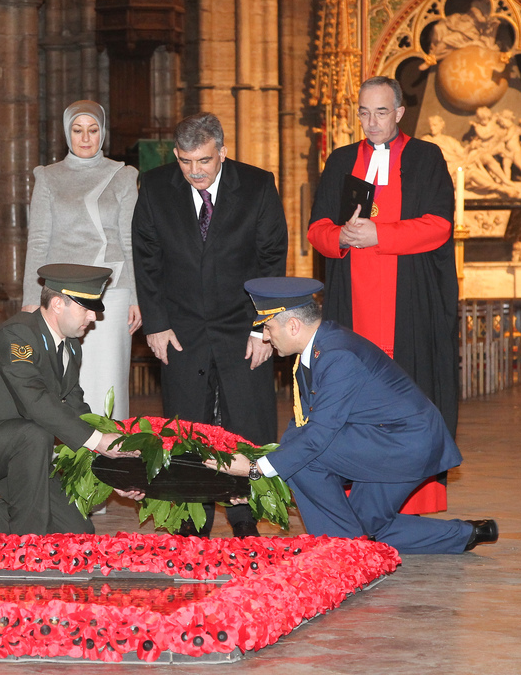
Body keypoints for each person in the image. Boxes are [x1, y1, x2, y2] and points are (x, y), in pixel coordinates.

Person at [209, 277, 498, 555]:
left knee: (305, 458)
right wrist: (256, 483)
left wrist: (254, 470)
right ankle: (468, 534)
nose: (266, 337)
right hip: (383, 440)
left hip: (406, 443)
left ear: (293, 325)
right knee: (365, 524)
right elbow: (300, 427)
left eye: (268, 328)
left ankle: (341, 552)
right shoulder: (314, 352)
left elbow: (317, 436)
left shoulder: (336, 356)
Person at [132, 112, 288, 537]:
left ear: (222, 152)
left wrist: (264, 328)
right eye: (185, 161)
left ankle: (244, 518)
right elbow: (146, 259)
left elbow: (273, 259)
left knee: (246, 421)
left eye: (203, 161)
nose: (194, 171)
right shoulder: (157, 187)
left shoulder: (257, 186)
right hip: (180, 328)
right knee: (186, 425)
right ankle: (189, 521)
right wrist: (157, 323)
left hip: (243, 327)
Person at [308, 76, 458, 515]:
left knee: (410, 390)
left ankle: (414, 498)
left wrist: (379, 233)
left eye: (380, 112)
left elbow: (439, 225)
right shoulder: (339, 161)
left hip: (410, 300)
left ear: (398, 113)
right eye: (363, 112)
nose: (371, 122)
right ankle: (352, 490)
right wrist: (342, 237)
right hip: (351, 303)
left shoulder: (427, 158)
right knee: (351, 395)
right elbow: (317, 231)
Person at [0, 264, 136, 535]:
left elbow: (77, 411)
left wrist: (117, 469)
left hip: (21, 451)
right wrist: (99, 442)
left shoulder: (71, 346)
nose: (93, 317)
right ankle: (28, 549)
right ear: (57, 304)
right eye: (85, 308)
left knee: (78, 531)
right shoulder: (18, 335)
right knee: (36, 433)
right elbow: (35, 401)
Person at [21, 101, 141, 419]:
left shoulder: (123, 175)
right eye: (77, 130)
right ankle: (65, 464)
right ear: (67, 133)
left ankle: (110, 462)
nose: (85, 138)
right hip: (62, 296)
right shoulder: (48, 177)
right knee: (61, 383)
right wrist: (32, 299)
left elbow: (130, 240)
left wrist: (135, 295)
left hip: (110, 296)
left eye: (93, 130)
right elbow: (38, 242)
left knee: (108, 382)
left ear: (102, 133)